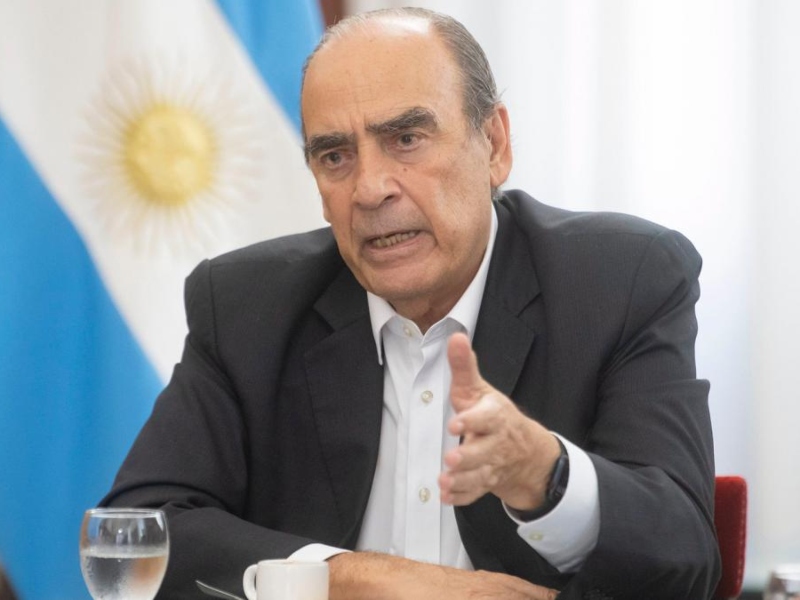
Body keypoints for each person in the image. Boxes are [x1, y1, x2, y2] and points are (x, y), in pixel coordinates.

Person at [102, 7, 720, 599]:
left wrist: (547, 474)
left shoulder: (621, 280)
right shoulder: (246, 304)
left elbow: (686, 560)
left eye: (406, 138)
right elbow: (137, 535)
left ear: (494, 144)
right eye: (335, 156)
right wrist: (363, 581)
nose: (370, 189)